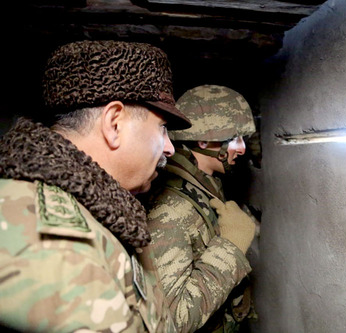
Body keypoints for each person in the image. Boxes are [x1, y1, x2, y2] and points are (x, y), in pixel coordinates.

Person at [0, 40, 192, 332]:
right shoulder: (55, 242)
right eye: (162, 128)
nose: (169, 148)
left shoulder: (91, 210)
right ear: (114, 123)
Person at [142, 85, 258, 333]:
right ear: (204, 140)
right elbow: (174, 319)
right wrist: (231, 246)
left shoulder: (204, 179)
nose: (242, 148)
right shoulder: (171, 208)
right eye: (235, 138)